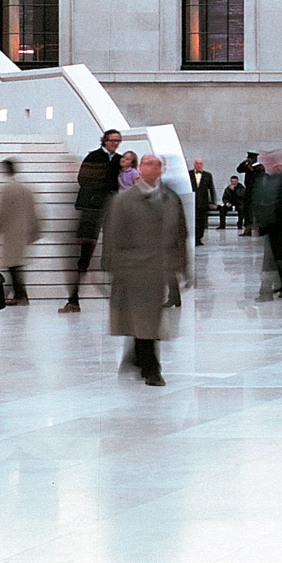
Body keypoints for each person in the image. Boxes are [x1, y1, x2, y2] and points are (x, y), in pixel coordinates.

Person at [100, 151, 188, 387]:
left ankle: (137, 358)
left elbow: (180, 234)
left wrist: (184, 267)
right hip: (133, 269)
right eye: (147, 164)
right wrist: (108, 267)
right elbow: (112, 235)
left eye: (156, 165)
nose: (151, 169)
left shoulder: (170, 199)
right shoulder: (124, 200)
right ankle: (152, 369)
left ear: (162, 169)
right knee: (146, 320)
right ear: (140, 169)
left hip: (158, 269)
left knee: (147, 320)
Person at [61, 127, 122, 310]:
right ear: (104, 141)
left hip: (109, 209)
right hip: (92, 209)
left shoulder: (119, 160)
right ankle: (74, 298)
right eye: (112, 140)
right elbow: (84, 179)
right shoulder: (94, 157)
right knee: (85, 253)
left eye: (118, 141)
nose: (115, 144)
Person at [247, 151, 282, 298]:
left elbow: (276, 207)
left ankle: (270, 290)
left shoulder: (278, 182)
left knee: (273, 260)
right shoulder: (276, 182)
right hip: (278, 228)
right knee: (281, 260)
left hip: (279, 228)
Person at [0, 158, 42, 304]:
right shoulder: (26, 189)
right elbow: (34, 212)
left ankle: (20, 295)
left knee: (13, 265)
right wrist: (35, 232)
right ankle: (19, 294)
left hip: (10, 234)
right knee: (15, 265)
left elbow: (1, 214)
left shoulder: (6, 190)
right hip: (23, 232)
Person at [188, 159, 216, 247]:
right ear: (194, 164)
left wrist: (213, 202)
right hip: (192, 202)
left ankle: (199, 237)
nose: (199, 165)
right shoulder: (189, 174)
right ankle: (194, 238)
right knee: (194, 220)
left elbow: (211, 189)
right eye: (197, 163)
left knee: (202, 221)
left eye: (200, 164)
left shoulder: (208, 175)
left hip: (203, 202)